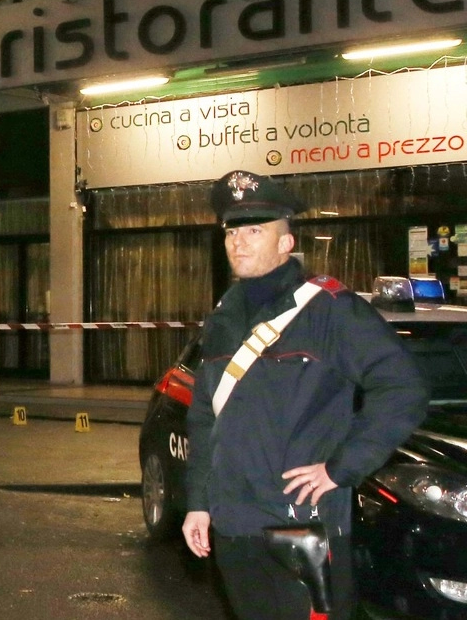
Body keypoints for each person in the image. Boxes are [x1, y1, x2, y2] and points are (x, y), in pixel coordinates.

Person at [182, 169, 428, 620]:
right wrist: (198, 502)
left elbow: (404, 388)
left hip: (302, 527)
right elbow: (203, 417)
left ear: (286, 243)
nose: (239, 241)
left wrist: (342, 468)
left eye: (256, 230)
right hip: (234, 526)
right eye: (233, 231)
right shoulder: (223, 319)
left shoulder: (329, 311)